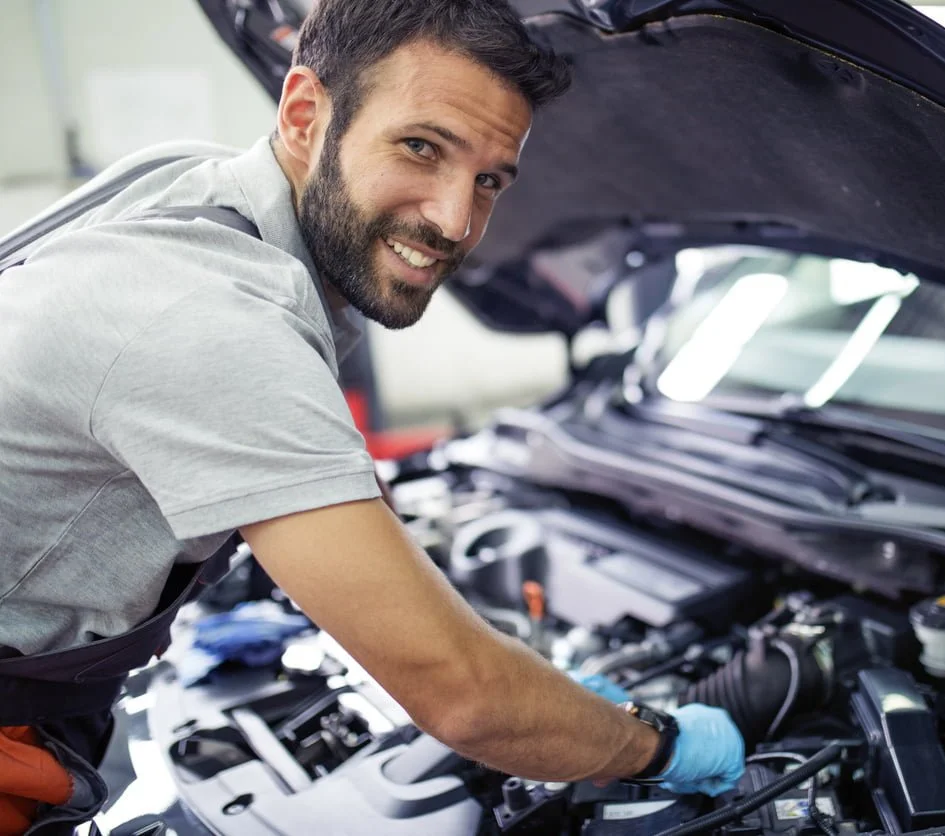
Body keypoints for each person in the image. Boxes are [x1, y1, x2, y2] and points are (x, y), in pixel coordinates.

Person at [0, 1, 744, 832]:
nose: (456, 221)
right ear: (305, 113)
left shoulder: (189, 183)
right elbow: (465, 697)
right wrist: (658, 744)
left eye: (490, 179)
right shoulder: (207, 316)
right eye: (422, 147)